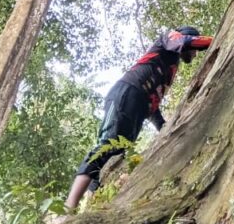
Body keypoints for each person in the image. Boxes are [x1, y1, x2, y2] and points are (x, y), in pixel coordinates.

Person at [62, 26, 213, 213]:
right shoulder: (169, 39)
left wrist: (164, 128)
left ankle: (90, 208)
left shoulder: (171, 65)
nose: (195, 54)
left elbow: (153, 101)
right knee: (106, 145)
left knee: (115, 156)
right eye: (195, 50)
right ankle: (68, 208)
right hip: (126, 94)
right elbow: (183, 41)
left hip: (140, 107)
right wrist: (213, 40)